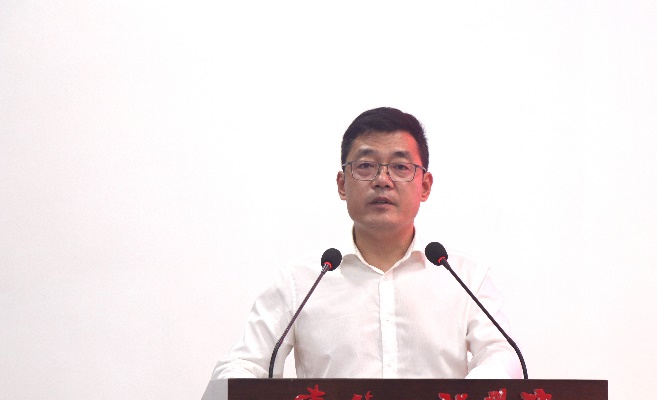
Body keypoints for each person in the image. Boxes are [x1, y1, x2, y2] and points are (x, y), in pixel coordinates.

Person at [212, 107, 522, 380]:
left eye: (400, 167)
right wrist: (245, 388)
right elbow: (242, 364)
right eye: (365, 166)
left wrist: (468, 399)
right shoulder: (300, 282)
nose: (382, 180)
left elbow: (500, 354)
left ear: (425, 186)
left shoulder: (466, 277)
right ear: (342, 185)